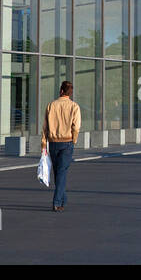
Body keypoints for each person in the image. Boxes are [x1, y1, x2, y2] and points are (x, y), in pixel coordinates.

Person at [41, 80, 81, 212]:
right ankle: (57, 202)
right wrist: (73, 140)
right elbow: (76, 127)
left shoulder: (51, 105)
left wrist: (43, 143)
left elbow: (45, 127)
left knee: (58, 173)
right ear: (70, 93)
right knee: (62, 172)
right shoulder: (74, 106)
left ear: (61, 91)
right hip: (67, 142)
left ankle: (63, 200)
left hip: (53, 142)